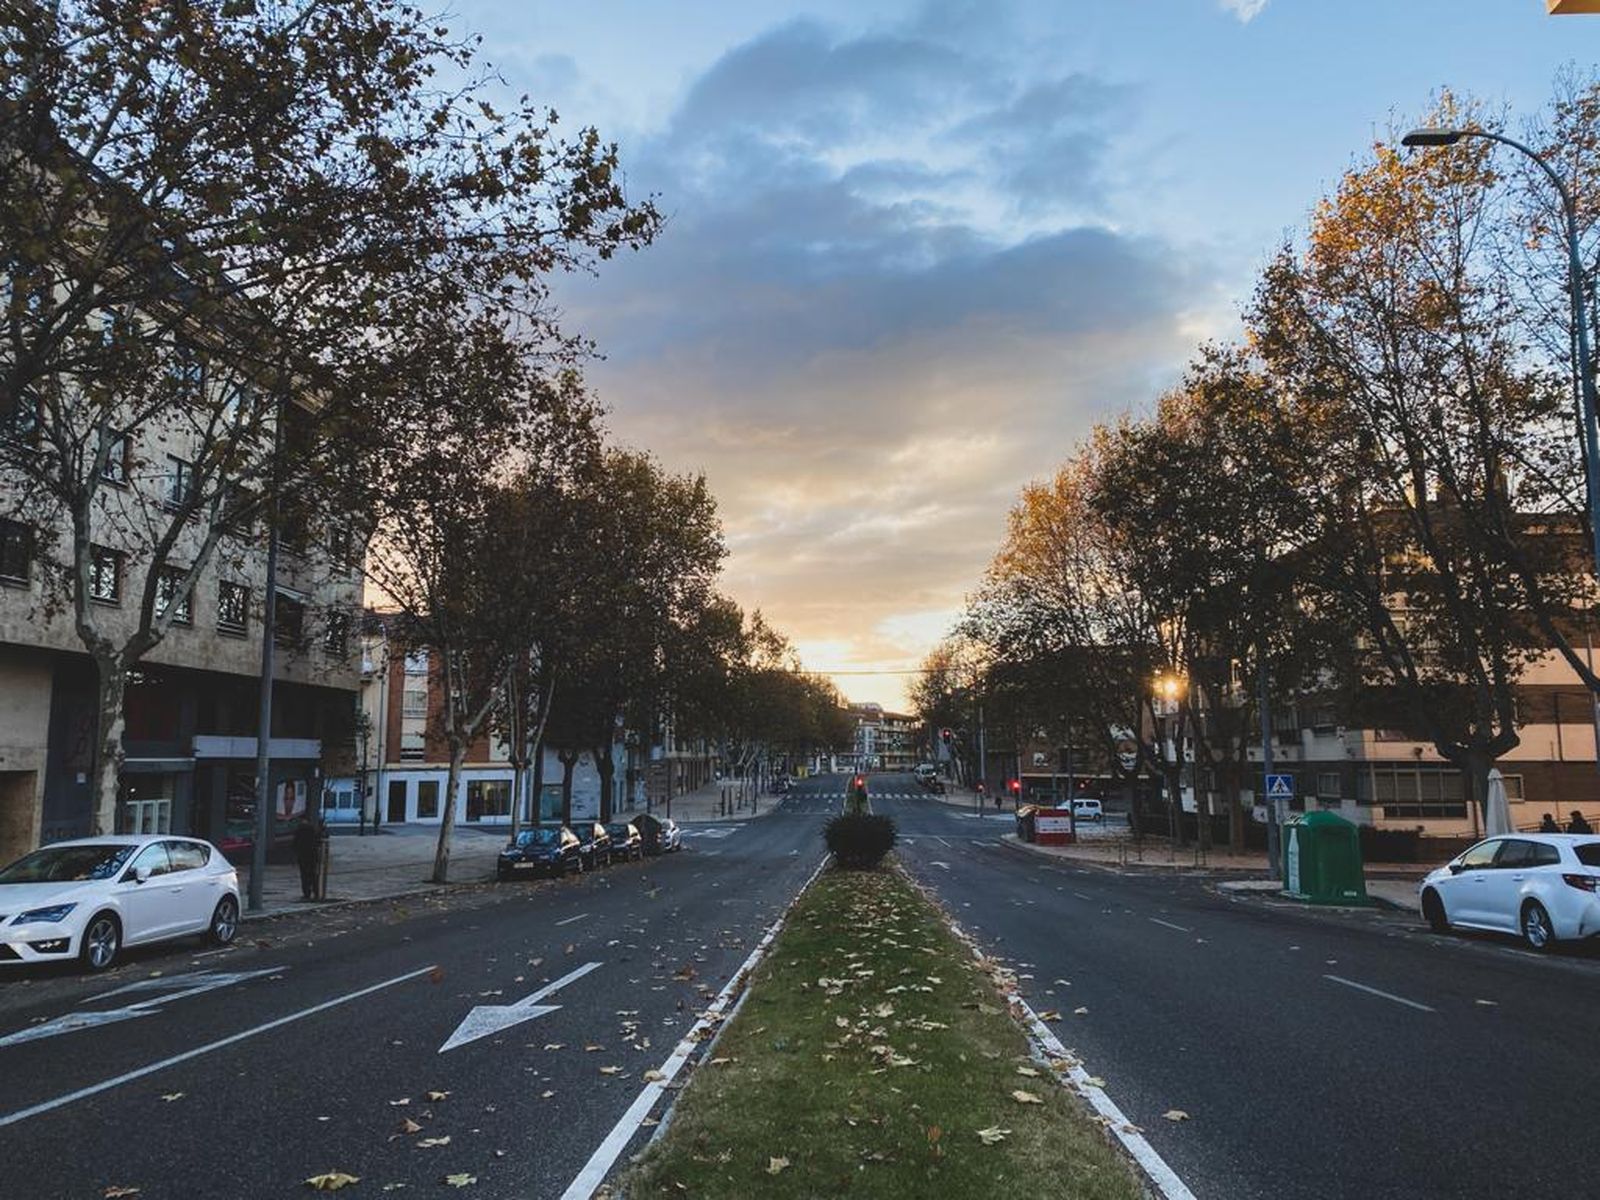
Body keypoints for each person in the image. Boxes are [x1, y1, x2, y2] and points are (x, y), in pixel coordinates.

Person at [293, 812, 320, 900]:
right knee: (313, 874)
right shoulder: (312, 829)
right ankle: (316, 891)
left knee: (304, 875)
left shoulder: (299, 829)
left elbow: (295, 843)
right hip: (312, 854)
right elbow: (317, 840)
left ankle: (307, 893)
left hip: (303, 855)